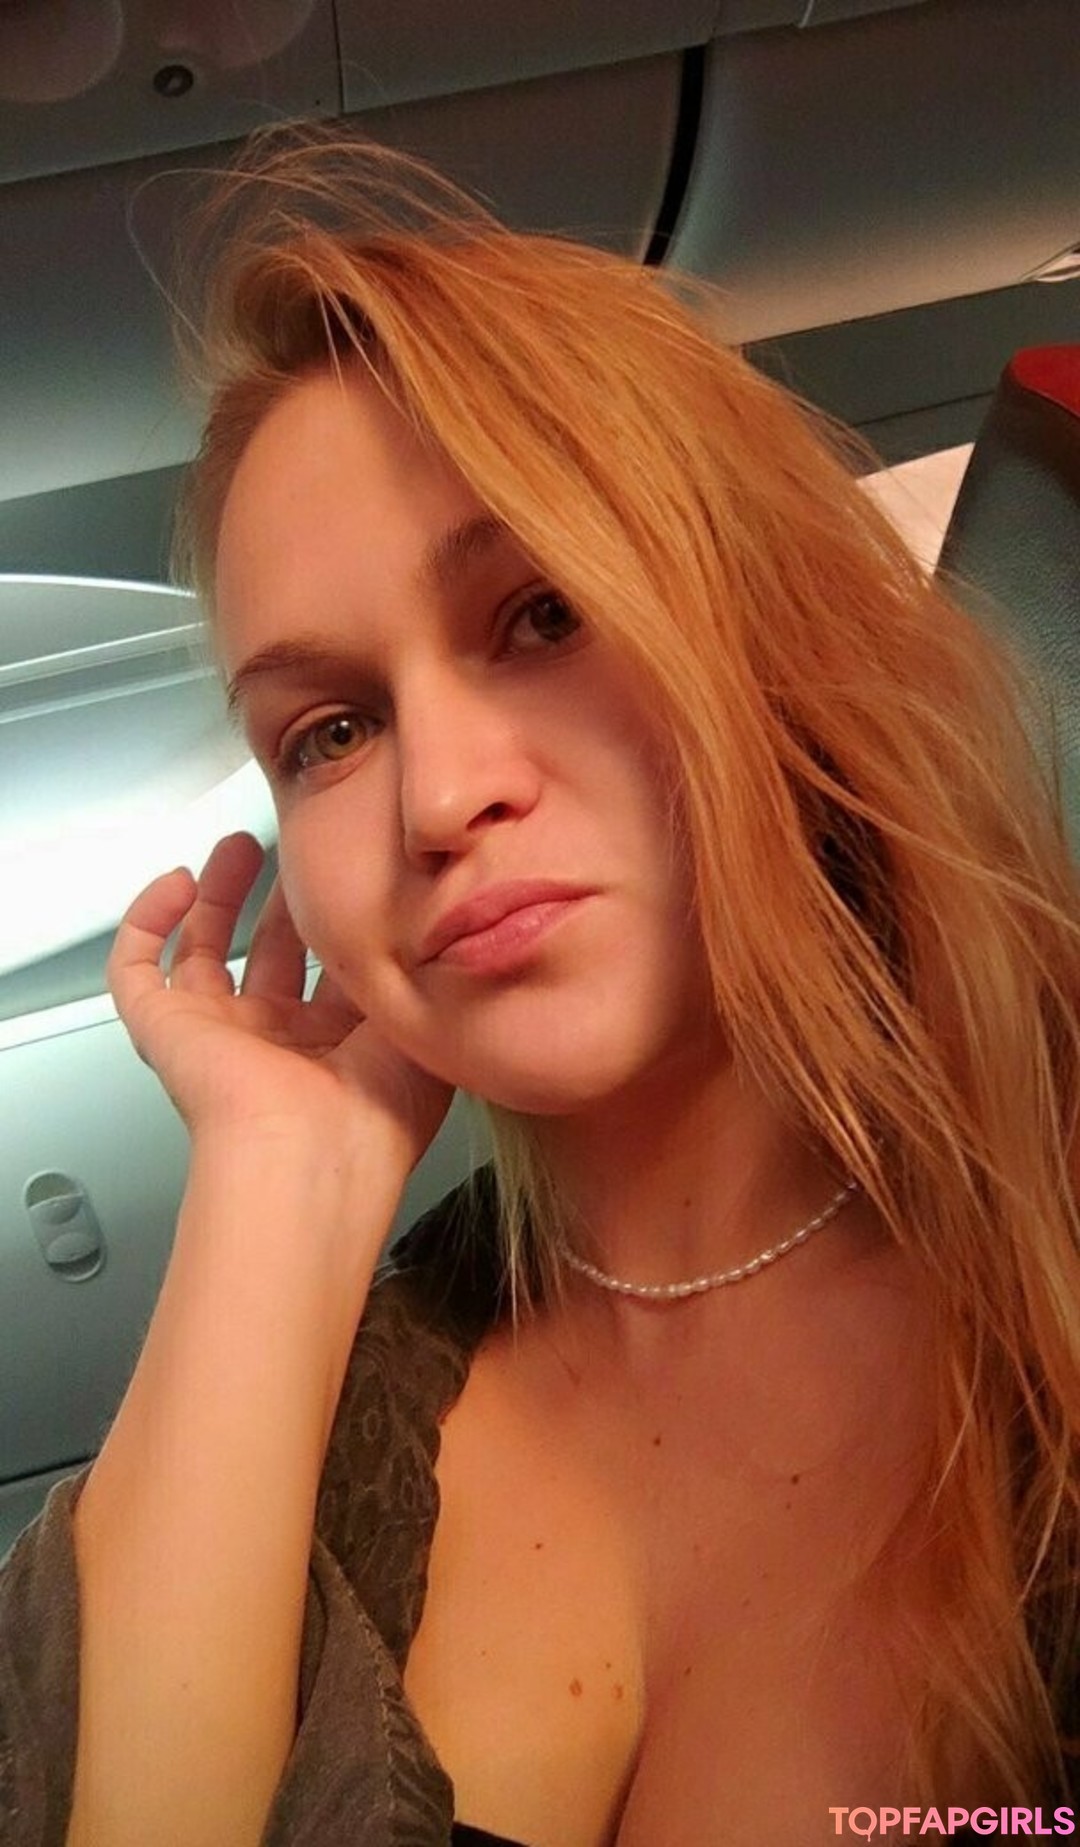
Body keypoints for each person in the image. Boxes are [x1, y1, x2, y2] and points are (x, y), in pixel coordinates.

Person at [3, 130, 1080, 1847]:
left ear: (775, 639)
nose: (438, 798)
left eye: (543, 614)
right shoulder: (293, 1402)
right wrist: (280, 1176)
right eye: (329, 732)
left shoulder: (1049, 1238)